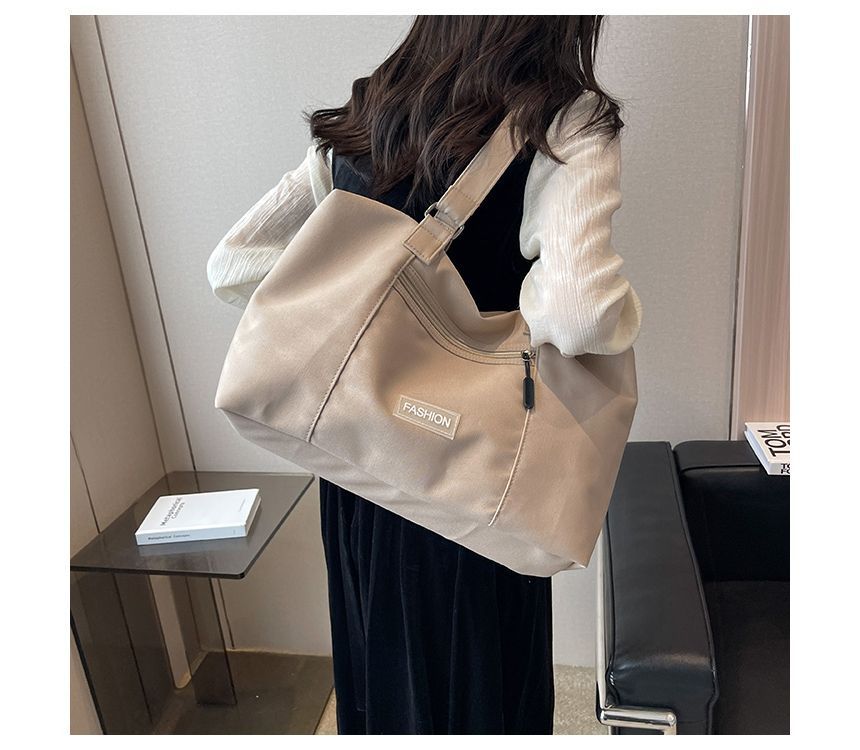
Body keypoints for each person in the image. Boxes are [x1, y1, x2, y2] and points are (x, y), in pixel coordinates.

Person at [207, 16, 642, 735]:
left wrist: (352, 294)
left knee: (381, 684)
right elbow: (581, 313)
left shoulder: (371, 107)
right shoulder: (566, 120)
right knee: (473, 696)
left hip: (360, 466)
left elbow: (234, 265)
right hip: (467, 478)